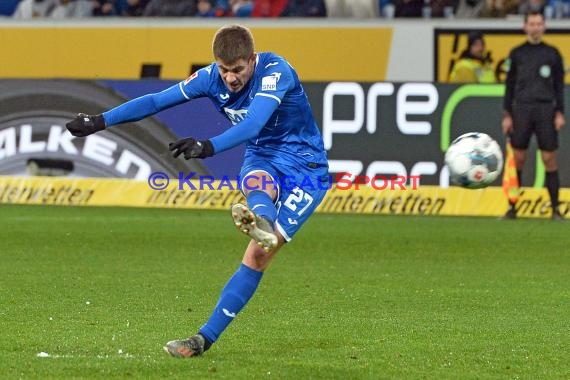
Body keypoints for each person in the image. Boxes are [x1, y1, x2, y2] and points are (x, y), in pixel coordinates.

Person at [66, 24, 329, 357]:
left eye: (237, 69)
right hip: (262, 156)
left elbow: (252, 125)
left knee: (260, 254)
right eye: (224, 70)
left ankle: (263, 224)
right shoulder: (210, 78)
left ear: (252, 59)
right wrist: (99, 121)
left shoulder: (276, 71)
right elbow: (157, 101)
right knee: (254, 187)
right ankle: (202, 338)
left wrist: (208, 146)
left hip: (307, 169)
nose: (230, 78)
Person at [502, 11, 565, 220]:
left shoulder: (553, 53)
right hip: (522, 109)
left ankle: (555, 209)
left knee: (549, 158)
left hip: (546, 109)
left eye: (539, 24)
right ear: (525, 27)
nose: (536, 27)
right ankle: (512, 208)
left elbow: (559, 87)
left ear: (544, 27)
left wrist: (560, 113)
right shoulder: (516, 53)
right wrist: (507, 114)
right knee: (518, 158)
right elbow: (509, 87)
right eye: (532, 23)